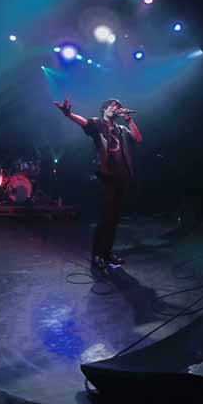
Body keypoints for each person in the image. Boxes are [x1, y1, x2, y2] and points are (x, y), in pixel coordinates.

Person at [54, 97, 142, 276]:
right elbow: (84, 122)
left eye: (118, 106)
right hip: (106, 177)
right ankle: (97, 256)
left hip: (122, 178)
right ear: (104, 109)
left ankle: (108, 254)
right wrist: (68, 114)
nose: (116, 108)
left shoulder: (121, 129)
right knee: (105, 219)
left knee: (114, 219)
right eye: (112, 105)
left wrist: (129, 119)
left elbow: (138, 139)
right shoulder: (97, 124)